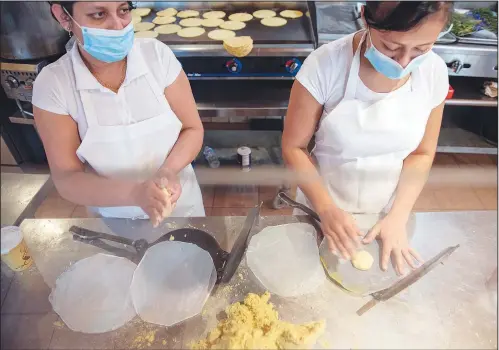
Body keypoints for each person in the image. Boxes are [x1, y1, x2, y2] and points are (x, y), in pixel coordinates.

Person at [282, 1, 452, 274]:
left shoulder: (434, 72)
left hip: (387, 214)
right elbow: (294, 147)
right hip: (320, 208)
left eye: (421, 49)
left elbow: (421, 153)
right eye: (390, 47)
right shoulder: (326, 65)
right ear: (365, 18)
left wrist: (398, 216)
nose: (404, 62)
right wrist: (326, 209)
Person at [33, 2, 205, 226]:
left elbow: (192, 129)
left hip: (183, 208)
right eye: (99, 14)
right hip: (114, 220)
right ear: (64, 17)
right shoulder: (54, 84)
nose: (117, 25)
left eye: (124, 10)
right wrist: (136, 194)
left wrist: (168, 171)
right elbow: (67, 178)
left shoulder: (157, 56)